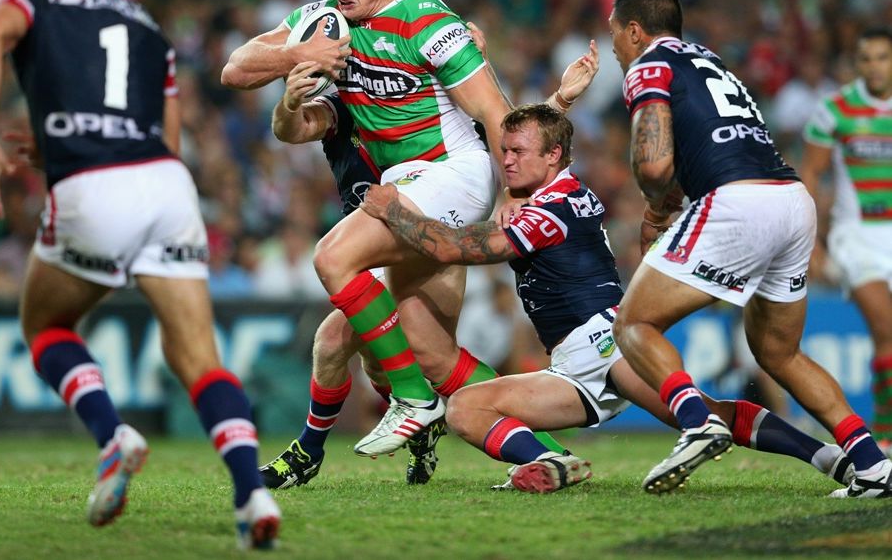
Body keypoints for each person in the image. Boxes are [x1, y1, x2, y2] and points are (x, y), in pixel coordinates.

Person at [221, 0, 585, 457]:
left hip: (453, 171)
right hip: (405, 188)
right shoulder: (323, 25)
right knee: (431, 350)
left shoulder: (424, 16)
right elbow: (236, 69)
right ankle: (548, 453)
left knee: (332, 258)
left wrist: (513, 193)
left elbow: (492, 110)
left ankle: (411, 400)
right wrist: (299, 60)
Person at [361, 103, 855, 493]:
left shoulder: (548, 211)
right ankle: (551, 462)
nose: (506, 160)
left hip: (603, 342)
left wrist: (394, 211)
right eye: (504, 150)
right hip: (576, 361)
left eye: (517, 152)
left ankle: (829, 456)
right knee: (468, 410)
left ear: (552, 156)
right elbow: (512, 188)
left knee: (704, 418)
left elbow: (452, 247)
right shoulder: (563, 193)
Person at [0, 0, 280, 548]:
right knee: (198, 357)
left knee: (44, 326)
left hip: (96, 188)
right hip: (167, 186)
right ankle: (250, 493)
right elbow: (165, 136)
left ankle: (113, 434)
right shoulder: (147, 26)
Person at [254, 23, 597, 488]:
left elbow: (509, 137)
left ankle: (321, 446)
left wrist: (557, 100)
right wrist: (291, 99)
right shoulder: (345, 105)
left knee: (407, 352)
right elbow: (291, 128)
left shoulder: (434, 99)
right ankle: (419, 427)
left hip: (424, 222)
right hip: (375, 231)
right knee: (357, 351)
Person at [606, 0, 892, 497]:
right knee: (779, 352)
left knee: (633, 324)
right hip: (792, 201)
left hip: (737, 203)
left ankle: (697, 420)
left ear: (634, 29)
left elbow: (652, 164)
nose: (613, 49)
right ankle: (872, 463)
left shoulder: (648, 64)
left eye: (614, 36)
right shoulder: (713, 62)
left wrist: (655, 205)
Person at [799, 27, 892, 457]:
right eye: (866, 58)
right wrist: (811, 240)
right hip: (856, 236)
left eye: (882, 57)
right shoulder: (834, 110)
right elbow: (812, 175)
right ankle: (885, 430)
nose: (874, 65)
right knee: (886, 330)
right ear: (857, 64)